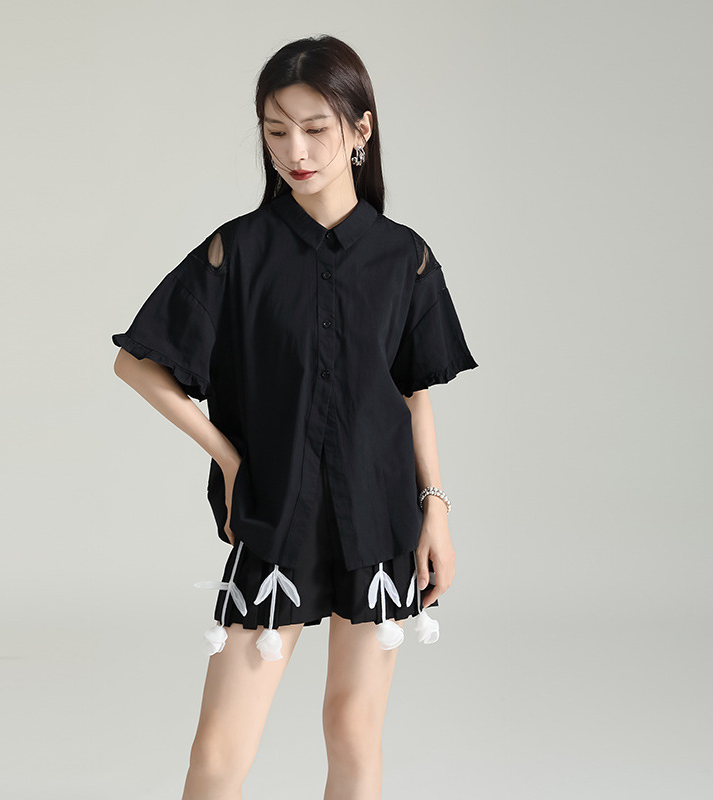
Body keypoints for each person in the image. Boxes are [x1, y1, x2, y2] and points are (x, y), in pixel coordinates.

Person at [112, 34, 479, 800]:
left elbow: (413, 392)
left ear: (361, 128)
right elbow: (137, 363)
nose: (295, 151)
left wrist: (436, 507)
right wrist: (228, 458)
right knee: (219, 754)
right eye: (276, 131)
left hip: (377, 517)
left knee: (354, 732)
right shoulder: (239, 251)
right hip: (276, 516)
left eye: (315, 128)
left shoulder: (404, 258)